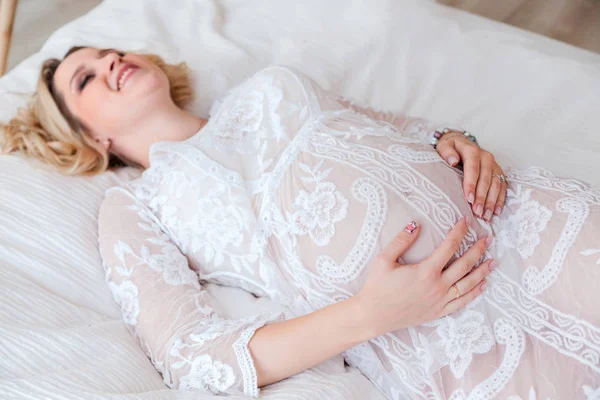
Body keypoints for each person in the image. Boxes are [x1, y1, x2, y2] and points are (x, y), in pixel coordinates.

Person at [1, 47, 598, 400]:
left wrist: (460, 143)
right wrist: (371, 315)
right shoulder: (137, 207)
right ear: (91, 138)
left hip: (529, 227)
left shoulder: (268, 86)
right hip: (450, 334)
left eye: (108, 49)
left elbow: (397, 126)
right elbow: (192, 356)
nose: (109, 59)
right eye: (84, 79)